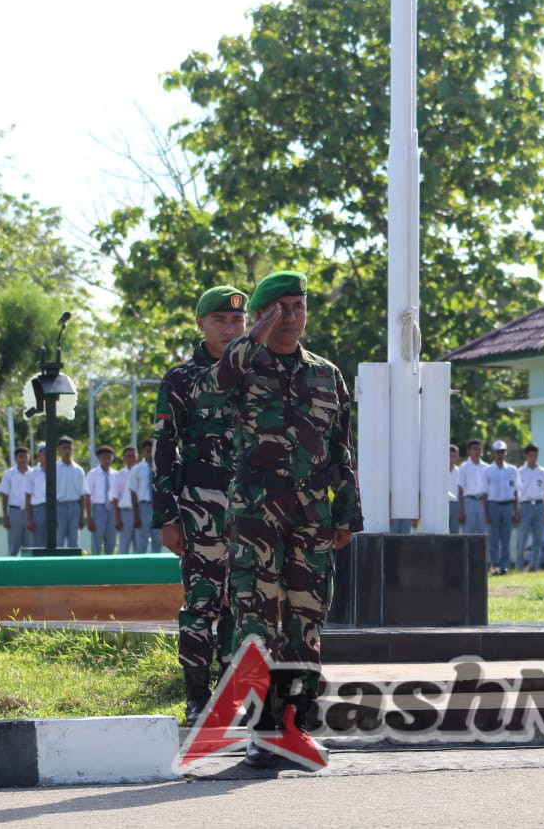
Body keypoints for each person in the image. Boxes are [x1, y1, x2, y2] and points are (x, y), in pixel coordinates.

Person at [203, 271, 362, 768]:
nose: (291, 317)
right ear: (262, 315)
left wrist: (347, 512)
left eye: (299, 306)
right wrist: (255, 334)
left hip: (311, 518)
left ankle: (293, 726)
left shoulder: (326, 374)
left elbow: (341, 448)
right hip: (256, 518)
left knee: (305, 624)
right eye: (280, 309)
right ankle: (262, 729)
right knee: (255, 622)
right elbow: (213, 387)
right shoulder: (244, 365)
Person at [152, 285, 248, 727]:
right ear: (201, 324)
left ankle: (229, 699)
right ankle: (196, 698)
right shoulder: (180, 379)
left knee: (239, 607)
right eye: (219, 321)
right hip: (200, 510)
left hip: (250, 511)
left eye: (237, 320)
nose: (229, 329)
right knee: (201, 605)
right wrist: (167, 517)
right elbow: (163, 449)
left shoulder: (257, 373)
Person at [483, 439, 518, 575]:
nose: (500, 454)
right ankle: (494, 565)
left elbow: (516, 491)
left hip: (508, 505)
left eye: (502, 452)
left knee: (506, 538)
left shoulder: (512, 470)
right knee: (493, 538)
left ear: (506, 453)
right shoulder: (488, 470)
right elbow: (485, 493)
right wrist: (486, 512)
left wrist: (516, 510)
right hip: (494, 505)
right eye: (498, 452)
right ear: (493, 453)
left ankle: (504, 566)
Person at [514, 443, 544, 571]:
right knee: (522, 539)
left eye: (535, 455)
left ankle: (534, 566)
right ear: (526, 455)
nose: (533, 458)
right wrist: (516, 511)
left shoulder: (542, 471)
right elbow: (516, 493)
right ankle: (519, 567)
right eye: (530, 455)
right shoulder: (520, 471)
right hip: (525, 506)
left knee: (538, 539)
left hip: (539, 506)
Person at [53, 437, 89, 550]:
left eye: (69, 448)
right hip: (59, 505)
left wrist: (82, 516)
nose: (67, 451)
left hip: (74, 506)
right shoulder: (54, 468)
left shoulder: (79, 470)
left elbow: (83, 494)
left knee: (74, 541)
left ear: (73, 449)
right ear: (59, 450)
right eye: (64, 448)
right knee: (59, 539)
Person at [0, 447, 32, 556]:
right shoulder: (9, 474)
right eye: (20, 456)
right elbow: (5, 496)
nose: (23, 459)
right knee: (13, 546)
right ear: (15, 458)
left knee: (29, 547)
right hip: (14, 512)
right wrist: (5, 516)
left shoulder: (34, 473)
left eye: (25, 456)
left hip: (30, 512)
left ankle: (28, 566)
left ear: (29, 458)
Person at [86, 445, 118, 555]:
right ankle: (95, 562)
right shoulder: (92, 474)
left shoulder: (116, 474)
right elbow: (88, 496)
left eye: (109, 458)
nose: (107, 461)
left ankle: (109, 562)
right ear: (99, 458)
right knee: (97, 540)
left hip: (112, 509)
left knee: (111, 540)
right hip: (98, 508)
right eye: (104, 458)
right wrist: (89, 518)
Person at [130, 439, 158, 553]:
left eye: (152, 451)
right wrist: (136, 515)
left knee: (157, 538)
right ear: (143, 452)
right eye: (148, 451)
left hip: (157, 506)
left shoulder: (160, 468)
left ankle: (156, 562)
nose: (150, 453)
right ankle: (141, 561)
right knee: (142, 539)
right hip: (144, 506)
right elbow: (133, 492)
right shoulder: (137, 469)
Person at [456, 438, 488, 536]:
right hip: (469, 502)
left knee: (484, 533)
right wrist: (460, 511)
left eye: (479, 449)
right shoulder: (463, 467)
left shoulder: (487, 467)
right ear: (469, 451)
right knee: (468, 533)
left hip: (483, 502)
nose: (477, 451)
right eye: (474, 449)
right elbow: (460, 489)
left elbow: (489, 490)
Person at [110, 446, 138, 555]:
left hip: (140, 511)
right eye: (128, 456)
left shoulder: (142, 471)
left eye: (132, 455)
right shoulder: (119, 474)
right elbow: (115, 498)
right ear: (123, 458)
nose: (130, 458)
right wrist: (117, 518)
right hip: (125, 513)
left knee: (139, 546)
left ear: (137, 457)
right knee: (124, 546)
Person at [23, 443, 49, 549]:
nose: (47, 456)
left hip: (53, 508)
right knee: (37, 542)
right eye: (45, 454)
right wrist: (29, 518)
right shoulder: (32, 473)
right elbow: (28, 496)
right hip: (38, 509)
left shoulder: (58, 470)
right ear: (39, 455)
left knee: (52, 541)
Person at [447, 443, 461, 534]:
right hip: (444, 504)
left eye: (454, 456)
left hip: (456, 504)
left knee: (455, 532)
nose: (452, 459)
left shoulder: (460, 471)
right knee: (442, 532)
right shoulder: (440, 470)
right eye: (450, 456)